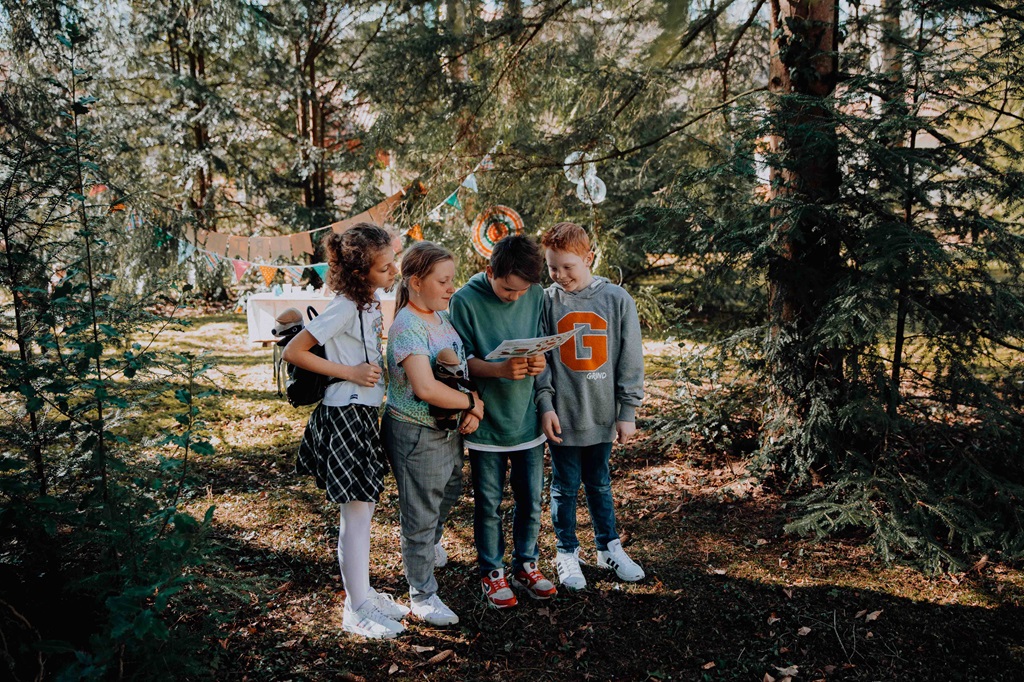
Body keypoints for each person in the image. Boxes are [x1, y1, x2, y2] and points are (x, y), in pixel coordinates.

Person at [282, 223, 407, 640]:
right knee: (355, 516)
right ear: (358, 272)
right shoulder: (344, 307)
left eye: (392, 264)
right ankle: (356, 609)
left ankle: (364, 594)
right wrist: (348, 371)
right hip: (345, 416)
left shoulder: (368, 303)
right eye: (385, 268)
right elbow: (294, 351)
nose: (393, 272)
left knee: (363, 512)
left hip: (363, 415)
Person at [449, 235, 557, 608]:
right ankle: (492, 572)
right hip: (486, 422)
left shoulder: (535, 294)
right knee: (488, 503)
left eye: (522, 291)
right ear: (489, 271)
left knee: (531, 500)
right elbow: (459, 362)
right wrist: (498, 370)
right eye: (508, 289)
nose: (515, 297)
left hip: (526, 418)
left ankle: (526, 565)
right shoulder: (464, 300)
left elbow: (541, 344)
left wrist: (539, 361)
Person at [535, 222, 646, 590]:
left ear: (589, 258)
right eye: (552, 267)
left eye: (568, 266)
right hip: (562, 416)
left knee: (599, 483)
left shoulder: (616, 299)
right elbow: (541, 361)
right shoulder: (545, 301)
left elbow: (630, 358)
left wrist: (627, 411)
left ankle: (608, 546)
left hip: (601, 413)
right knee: (564, 486)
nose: (559, 275)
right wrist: (545, 404)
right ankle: (566, 551)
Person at [383, 241, 484, 626]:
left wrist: (469, 407)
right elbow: (425, 388)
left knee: (449, 491)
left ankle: (428, 545)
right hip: (416, 433)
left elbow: (455, 372)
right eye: (443, 281)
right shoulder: (408, 325)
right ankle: (422, 595)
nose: (450, 288)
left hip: (447, 430)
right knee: (420, 514)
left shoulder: (440, 318)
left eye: (451, 280)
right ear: (415, 282)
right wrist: (473, 403)